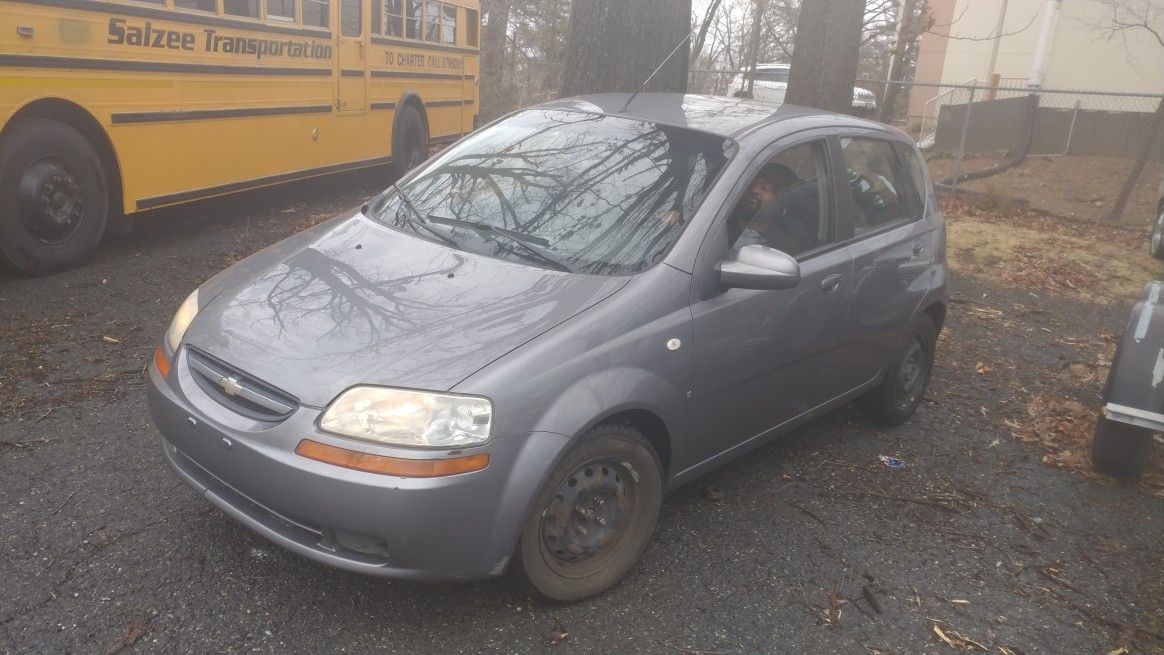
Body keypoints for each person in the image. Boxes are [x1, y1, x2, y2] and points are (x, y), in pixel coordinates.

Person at [728, 163, 799, 254]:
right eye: (750, 184)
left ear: (779, 201)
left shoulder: (783, 248)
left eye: (765, 188)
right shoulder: (715, 228)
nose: (754, 190)